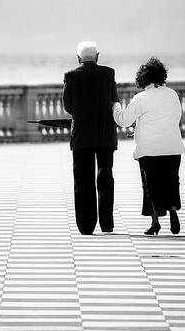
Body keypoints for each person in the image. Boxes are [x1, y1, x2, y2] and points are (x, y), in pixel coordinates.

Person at [112, 57, 185, 235]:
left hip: (149, 150)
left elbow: (123, 120)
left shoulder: (141, 98)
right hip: (172, 147)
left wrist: (115, 105)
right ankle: (173, 212)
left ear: (143, 78)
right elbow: (175, 117)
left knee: (150, 185)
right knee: (171, 182)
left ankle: (155, 223)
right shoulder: (172, 94)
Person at [63, 41, 120, 235]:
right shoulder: (108, 73)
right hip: (105, 134)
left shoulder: (70, 76)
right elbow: (115, 100)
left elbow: (68, 107)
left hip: (81, 136)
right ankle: (107, 224)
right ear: (98, 56)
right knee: (105, 177)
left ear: (78, 58)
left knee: (83, 180)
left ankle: (86, 226)